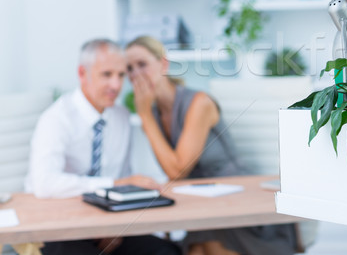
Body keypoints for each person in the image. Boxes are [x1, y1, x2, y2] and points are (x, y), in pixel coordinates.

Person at [124, 36, 297, 255]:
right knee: (195, 248)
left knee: (207, 247)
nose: (135, 74)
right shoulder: (155, 114)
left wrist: (145, 117)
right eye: (129, 69)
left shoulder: (199, 103)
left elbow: (177, 171)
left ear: (163, 64)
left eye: (142, 64)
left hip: (238, 204)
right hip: (201, 206)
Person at [25, 38, 181, 255]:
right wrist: (114, 183)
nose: (116, 85)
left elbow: (123, 182)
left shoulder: (121, 117)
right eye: (106, 75)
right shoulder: (57, 119)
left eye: (121, 75)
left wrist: (116, 228)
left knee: (164, 251)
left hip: (108, 225)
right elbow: (45, 183)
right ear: (82, 74)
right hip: (61, 228)